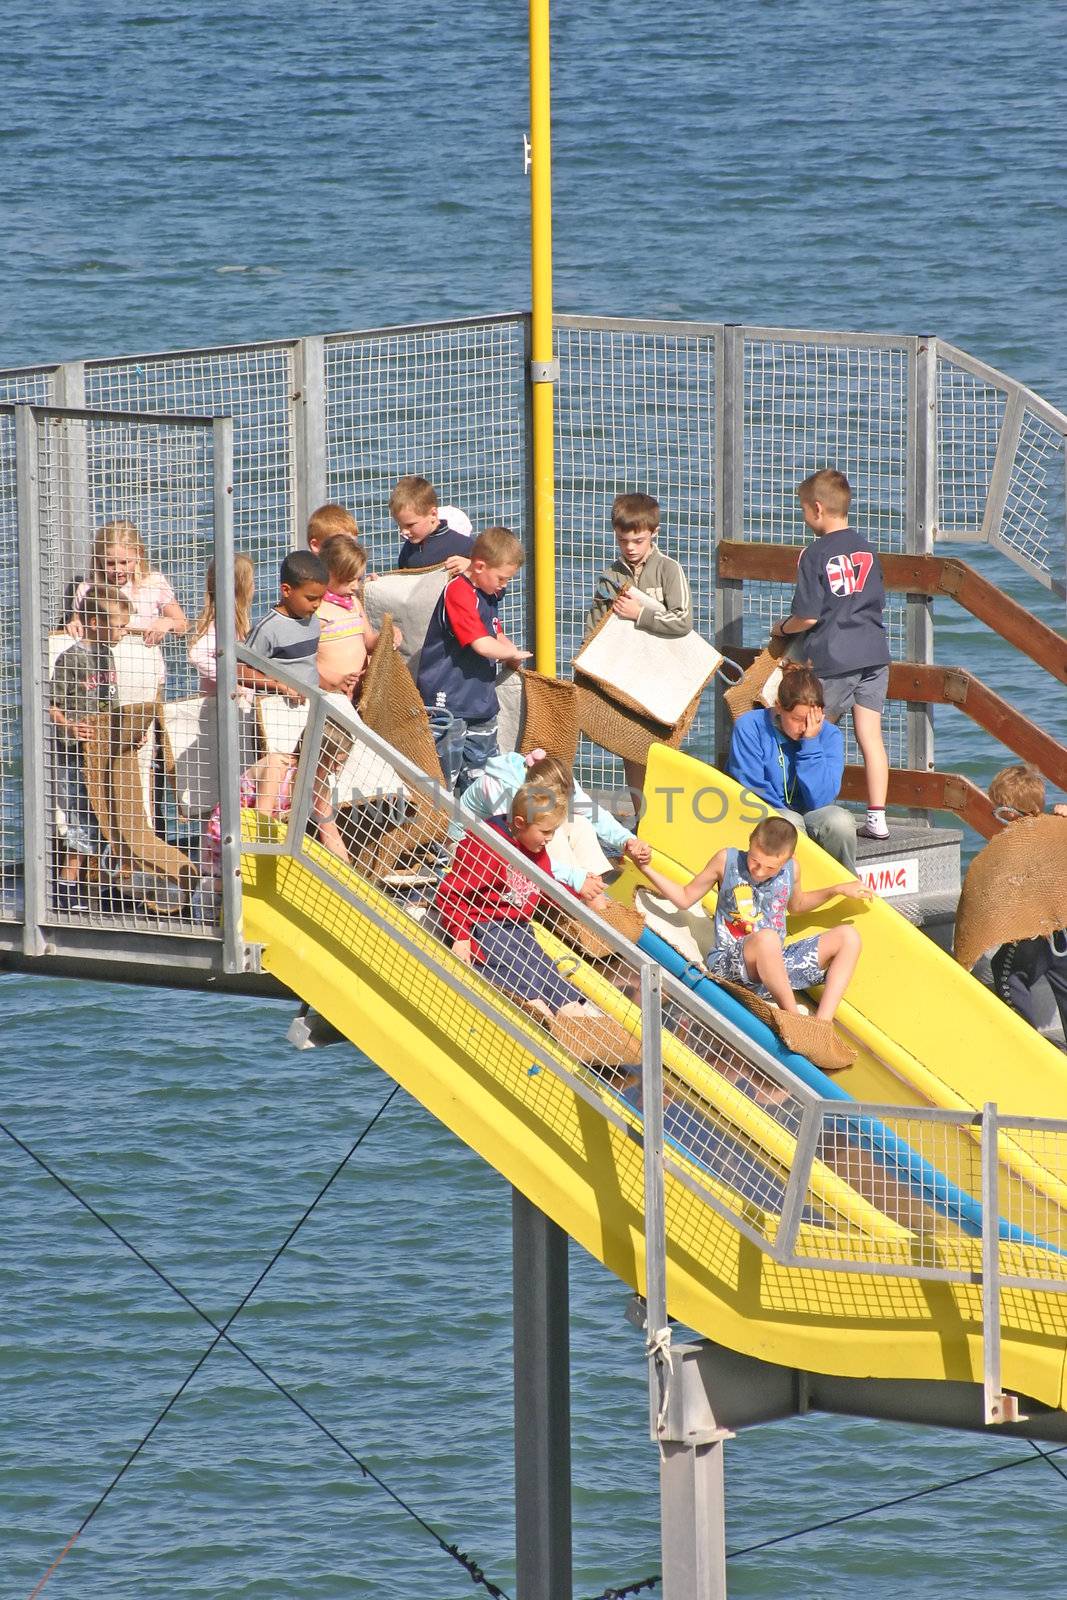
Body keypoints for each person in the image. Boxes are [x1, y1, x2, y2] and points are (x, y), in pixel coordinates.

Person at [634, 816, 872, 1025]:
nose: (759, 871)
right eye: (755, 861)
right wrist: (646, 869)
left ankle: (821, 1026)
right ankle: (796, 1021)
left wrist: (837, 890)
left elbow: (797, 905)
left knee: (848, 937)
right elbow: (686, 898)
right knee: (767, 939)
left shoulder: (793, 868)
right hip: (732, 963)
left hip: (775, 967)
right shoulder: (727, 860)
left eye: (771, 867)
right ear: (750, 843)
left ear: (789, 858)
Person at [772, 468, 890, 841]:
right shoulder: (868, 549)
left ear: (818, 509)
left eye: (804, 510)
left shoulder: (814, 553)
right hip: (874, 652)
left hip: (835, 657)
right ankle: (877, 818)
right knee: (871, 737)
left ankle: (813, 810)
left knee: (814, 730)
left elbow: (807, 615)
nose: (804, 517)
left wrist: (781, 628)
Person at [434, 783, 596, 1022]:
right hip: (487, 928)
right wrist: (461, 935)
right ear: (520, 823)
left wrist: (577, 895)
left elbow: (546, 885)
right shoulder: (486, 845)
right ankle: (544, 1024)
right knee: (523, 984)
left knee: (547, 974)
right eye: (546, 832)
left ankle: (578, 1023)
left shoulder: (533, 845)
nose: (550, 839)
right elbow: (451, 893)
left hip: (520, 929)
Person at [586, 491, 693, 801]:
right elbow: (595, 626)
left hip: (664, 677)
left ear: (654, 534)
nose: (630, 548)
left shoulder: (669, 569)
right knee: (630, 749)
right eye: (623, 541)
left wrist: (640, 614)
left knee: (663, 750)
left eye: (638, 541)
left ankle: (668, 815)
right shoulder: (610, 575)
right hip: (627, 676)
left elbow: (683, 621)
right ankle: (641, 817)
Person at [194, 725, 352, 922]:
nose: (338, 768)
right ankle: (210, 888)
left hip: (264, 832)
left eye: (342, 762)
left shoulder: (320, 783)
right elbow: (262, 816)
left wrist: (349, 876)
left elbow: (330, 833)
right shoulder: (278, 766)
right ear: (321, 752)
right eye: (336, 760)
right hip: (230, 828)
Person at [456, 749, 652, 904]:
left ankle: (594, 893)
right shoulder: (506, 791)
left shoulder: (556, 779)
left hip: (509, 846)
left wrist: (627, 840)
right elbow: (517, 850)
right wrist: (575, 877)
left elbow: (592, 812)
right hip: (470, 850)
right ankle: (575, 900)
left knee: (580, 824)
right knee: (552, 833)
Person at [416, 525, 531, 790]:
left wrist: (510, 653)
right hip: (449, 701)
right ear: (479, 567)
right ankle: (445, 826)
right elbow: (481, 644)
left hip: (480, 701)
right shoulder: (458, 592)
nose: (504, 586)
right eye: (502, 578)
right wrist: (511, 653)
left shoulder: (488, 592)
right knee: (444, 775)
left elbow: (494, 633)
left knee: (483, 773)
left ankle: (479, 825)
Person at [728, 662, 857, 871]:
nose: (804, 727)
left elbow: (822, 799)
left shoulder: (829, 735)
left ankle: (846, 886)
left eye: (810, 720)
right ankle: (796, 890)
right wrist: (787, 813)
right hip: (762, 810)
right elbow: (751, 786)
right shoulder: (750, 726)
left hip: (809, 812)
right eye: (797, 719)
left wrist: (811, 744)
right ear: (779, 706)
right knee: (788, 823)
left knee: (839, 821)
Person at [49, 585, 131, 911]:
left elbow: (111, 705)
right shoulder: (71, 658)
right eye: (120, 626)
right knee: (81, 820)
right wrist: (70, 726)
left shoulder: (106, 655)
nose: (125, 632)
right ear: (95, 622)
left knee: (105, 818)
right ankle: (66, 891)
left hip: (102, 753)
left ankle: (99, 886)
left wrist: (127, 733)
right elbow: (52, 704)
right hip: (75, 754)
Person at [986, 764, 1067, 1041]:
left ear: (1007, 814)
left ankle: (1025, 1039)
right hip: (1062, 936)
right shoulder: (1056, 830)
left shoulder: (1015, 842)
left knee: (1005, 971)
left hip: (1031, 936)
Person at [67, 519, 188, 696]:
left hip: (146, 675)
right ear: (99, 559)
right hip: (99, 678)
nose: (118, 570)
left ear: (138, 554)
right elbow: (77, 624)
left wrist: (167, 622)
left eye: (125, 562)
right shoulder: (87, 589)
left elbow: (183, 625)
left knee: (148, 720)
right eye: (110, 563)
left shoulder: (153, 583)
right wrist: (73, 624)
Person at [239, 550, 328, 702]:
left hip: (310, 708)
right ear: (286, 590)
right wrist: (280, 686)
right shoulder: (267, 629)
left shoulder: (313, 620)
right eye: (311, 598)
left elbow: (308, 666)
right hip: (278, 713)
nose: (317, 604)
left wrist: (330, 686)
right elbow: (239, 670)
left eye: (321, 598)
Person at [316, 532, 399, 695]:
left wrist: (387, 636)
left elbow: (368, 642)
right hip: (333, 690)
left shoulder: (354, 603)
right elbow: (307, 660)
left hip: (362, 690)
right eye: (348, 580)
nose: (355, 586)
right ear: (326, 573)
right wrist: (335, 679)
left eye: (359, 579)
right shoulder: (317, 609)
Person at [187, 554, 256, 696]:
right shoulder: (221, 626)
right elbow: (196, 655)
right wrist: (230, 680)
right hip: (219, 708)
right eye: (252, 582)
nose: (254, 587)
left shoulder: (237, 624)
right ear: (241, 588)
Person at [389, 475, 474, 571]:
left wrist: (471, 567)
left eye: (410, 525)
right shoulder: (408, 550)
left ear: (433, 514)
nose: (403, 531)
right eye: (400, 525)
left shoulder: (463, 545)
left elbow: (489, 575)